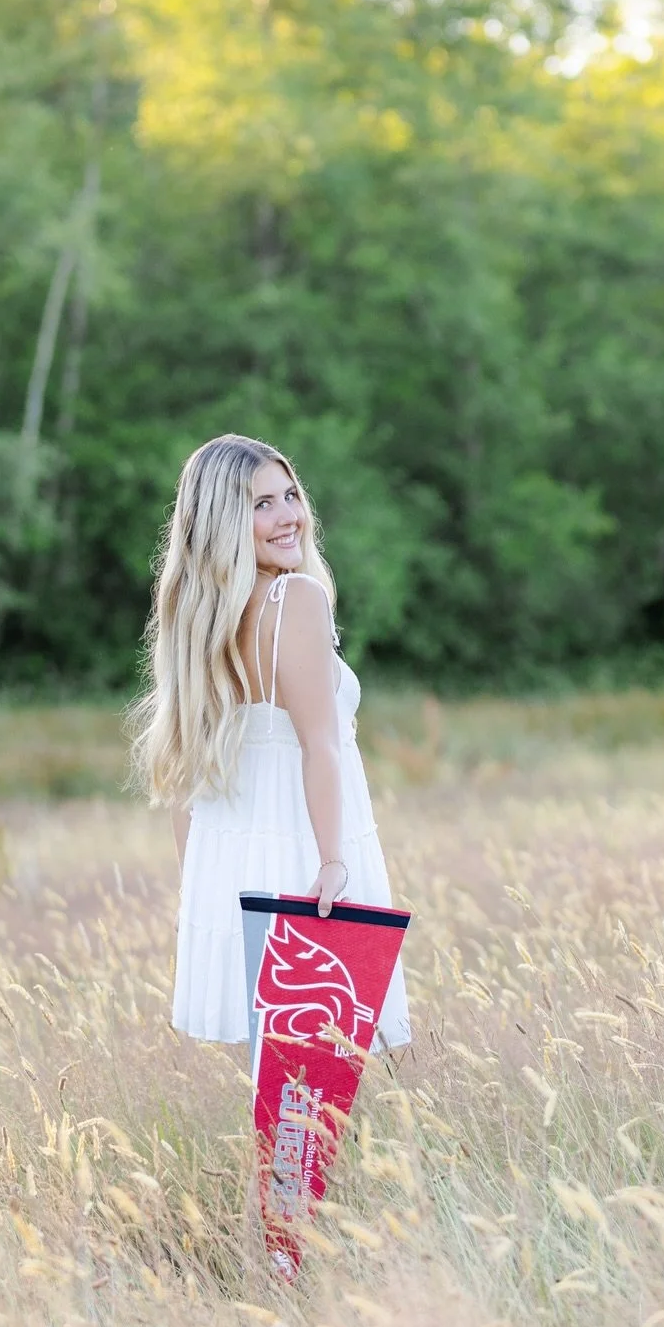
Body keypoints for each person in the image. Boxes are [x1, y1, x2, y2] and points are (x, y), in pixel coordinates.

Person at [130, 433, 411, 1050]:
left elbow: (184, 772)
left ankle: (288, 1153)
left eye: (290, 495)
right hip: (309, 851)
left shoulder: (196, 616)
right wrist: (334, 862)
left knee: (286, 1091)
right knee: (328, 1081)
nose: (289, 516)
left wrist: (195, 881)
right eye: (261, 505)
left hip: (233, 858)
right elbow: (321, 745)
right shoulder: (296, 598)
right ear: (225, 521)